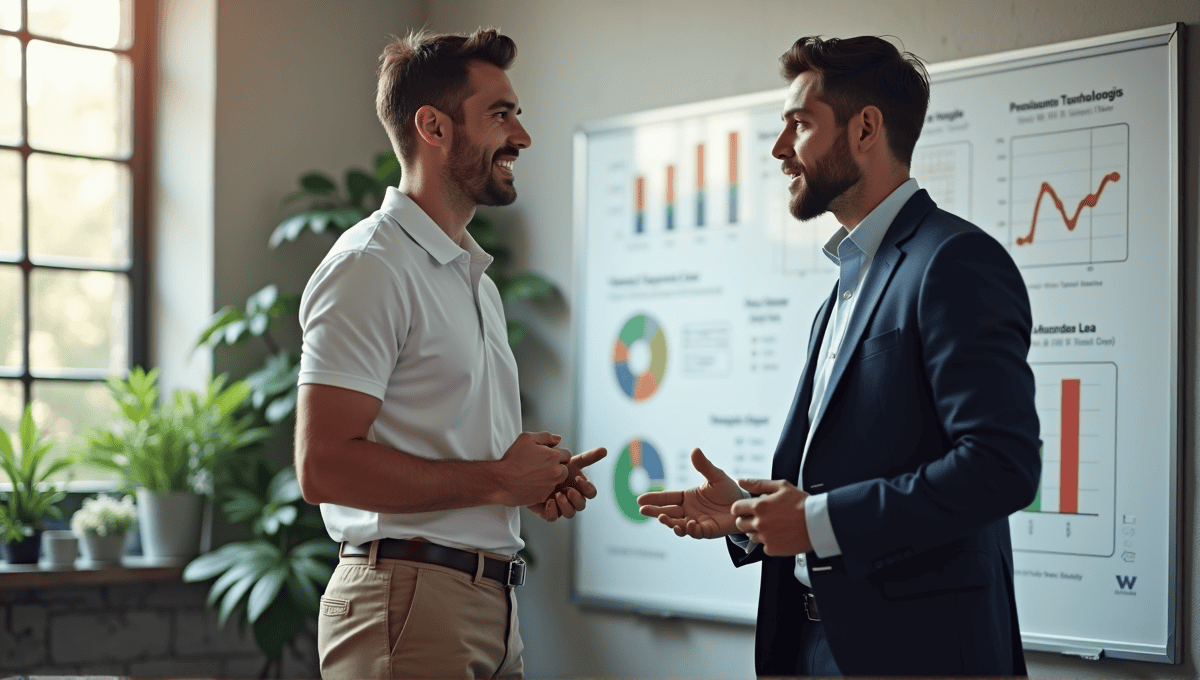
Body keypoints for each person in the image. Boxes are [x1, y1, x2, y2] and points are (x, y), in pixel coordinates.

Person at [639, 35, 1040, 677]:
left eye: (799, 124)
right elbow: (855, 469)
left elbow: (1001, 467)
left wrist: (819, 521)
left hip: (921, 656)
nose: (778, 149)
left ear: (865, 128)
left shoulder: (954, 263)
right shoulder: (845, 287)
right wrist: (752, 515)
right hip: (811, 646)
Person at [294, 28, 605, 680]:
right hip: (405, 608)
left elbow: (453, 452)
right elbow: (322, 465)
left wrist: (526, 479)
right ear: (432, 127)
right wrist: (497, 480)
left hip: (490, 608)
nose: (521, 135)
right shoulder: (369, 266)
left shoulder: (477, 282)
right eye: (501, 114)